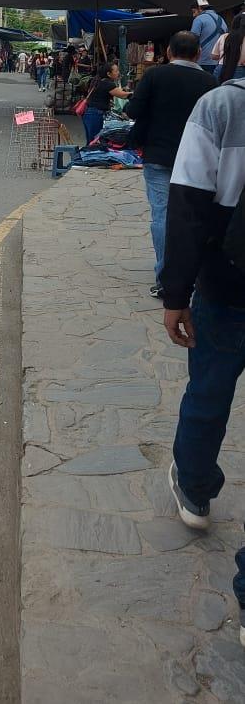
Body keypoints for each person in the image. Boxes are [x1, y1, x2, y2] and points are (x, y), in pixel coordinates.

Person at [160, 78, 245, 647]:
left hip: (227, 286)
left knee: (209, 391)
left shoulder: (220, 107)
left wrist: (175, 293)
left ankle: (194, 489)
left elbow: (188, 204)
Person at [126, 32, 215, 299]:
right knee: (194, 216)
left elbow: (133, 111)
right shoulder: (210, 82)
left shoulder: (155, 75)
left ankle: (167, 279)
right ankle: (195, 277)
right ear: (199, 54)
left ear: (168, 53)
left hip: (159, 156)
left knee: (162, 216)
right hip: (196, 160)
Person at [82, 61, 130, 145]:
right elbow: (122, 95)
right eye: (116, 71)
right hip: (95, 114)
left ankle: (89, 156)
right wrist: (136, 94)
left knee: (91, 141)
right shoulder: (107, 83)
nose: (118, 73)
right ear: (109, 74)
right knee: (95, 142)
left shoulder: (99, 80)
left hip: (89, 114)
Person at [190, 0, 227, 74]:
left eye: (194, 12)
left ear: (200, 8)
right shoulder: (221, 19)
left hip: (203, 61)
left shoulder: (199, 19)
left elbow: (191, 40)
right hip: (220, 61)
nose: (193, 15)